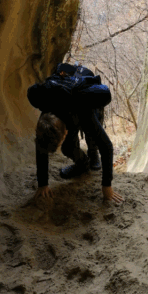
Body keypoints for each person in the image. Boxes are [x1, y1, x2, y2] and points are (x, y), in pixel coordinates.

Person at [29, 63, 124, 204]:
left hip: (85, 89)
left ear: (65, 132)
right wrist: (43, 184)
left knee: (93, 134)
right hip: (66, 93)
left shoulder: (83, 109)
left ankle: (93, 154)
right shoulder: (45, 109)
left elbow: (107, 146)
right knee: (67, 148)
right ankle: (82, 164)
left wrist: (107, 187)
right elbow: (41, 145)